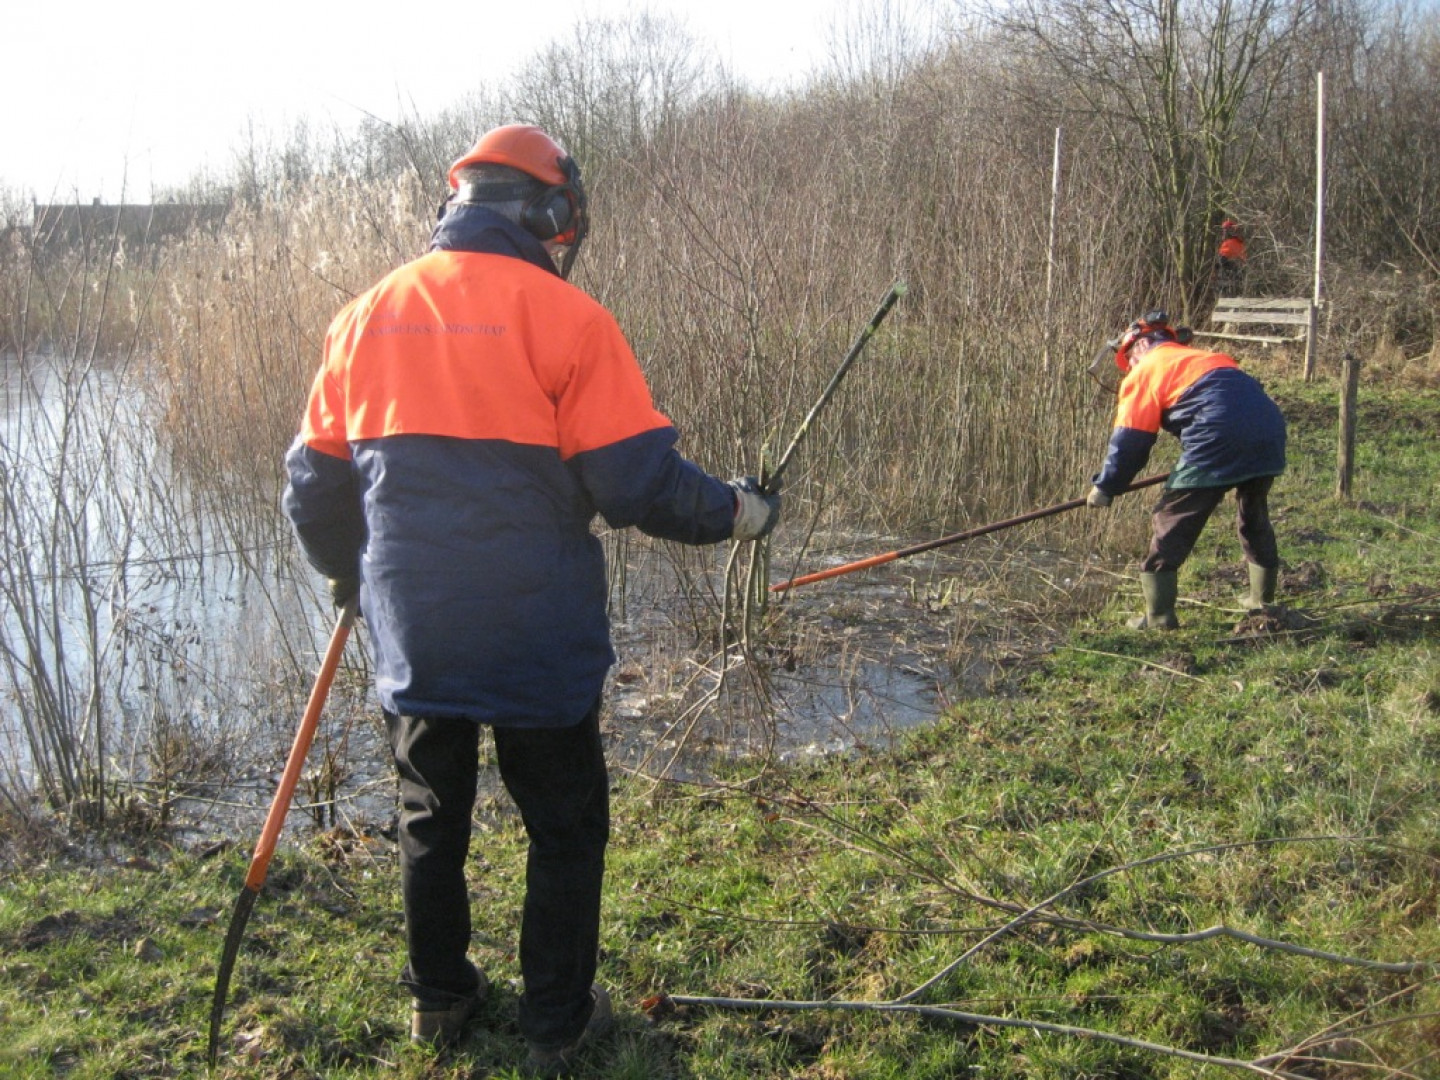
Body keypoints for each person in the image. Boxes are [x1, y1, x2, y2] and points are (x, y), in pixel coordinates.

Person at [281, 123, 781, 1075]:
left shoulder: (364, 316)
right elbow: (638, 486)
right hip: (534, 634)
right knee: (562, 826)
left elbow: (313, 487)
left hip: (415, 636)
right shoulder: (569, 322)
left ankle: (441, 1002)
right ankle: (555, 1023)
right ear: (546, 212)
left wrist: (350, 577)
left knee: (430, 818)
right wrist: (739, 515)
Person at [1084, 310, 1285, 630]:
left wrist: (1107, 485)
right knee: (1254, 515)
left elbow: (1131, 441)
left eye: (1129, 359)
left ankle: (1159, 617)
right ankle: (1262, 601)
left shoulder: (1147, 369)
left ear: (1142, 345)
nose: (1129, 368)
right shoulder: (1204, 358)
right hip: (1269, 431)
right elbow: (1239, 400)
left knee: (1171, 518)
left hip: (1215, 437)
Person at [1215, 218, 1247, 296]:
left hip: (1227, 279)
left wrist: (1214, 267)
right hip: (1239, 279)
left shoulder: (1228, 243)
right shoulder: (1240, 244)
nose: (1223, 233)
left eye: (1224, 230)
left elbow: (1221, 261)